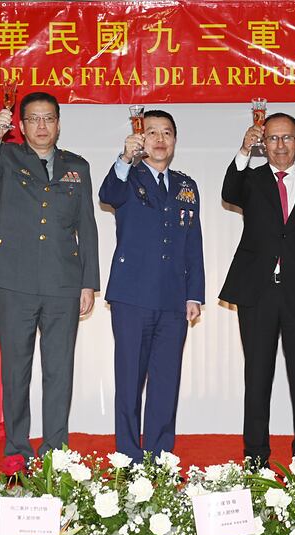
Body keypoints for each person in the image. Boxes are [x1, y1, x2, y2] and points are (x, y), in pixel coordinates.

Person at [0, 92, 99, 459]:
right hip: (15, 280)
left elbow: (86, 226)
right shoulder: (7, 157)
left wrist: (88, 281)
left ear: (58, 123)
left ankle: (56, 451)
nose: (42, 126)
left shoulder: (78, 166)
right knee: (16, 370)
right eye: (34, 119)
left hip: (63, 281)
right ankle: (17, 450)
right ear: (22, 126)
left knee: (59, 371)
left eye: (49, 118)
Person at [219, 112, 295, 467]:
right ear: (263, 143)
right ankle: (256, 457)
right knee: (257, 377)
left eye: (287, 138)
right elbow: (229, 191)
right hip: (257, 294)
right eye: (272, 139)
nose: (280, 145)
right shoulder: (251, 180)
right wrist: (243, 149)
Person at [99, 110, 204, 463]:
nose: (160, 139)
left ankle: (160, 455)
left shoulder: (186, 186)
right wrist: (124, 157)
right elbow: (107, 193)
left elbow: (194, 243)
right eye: (153, 132)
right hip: (132, 295)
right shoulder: (128, 176)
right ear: (142, 138)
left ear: (175, 141)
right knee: (129, 381)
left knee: (165, 382)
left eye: (168, 133)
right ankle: (128, 457)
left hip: (174, 298)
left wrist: (195, 293)